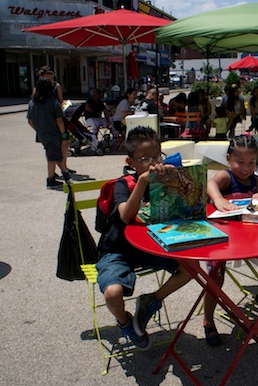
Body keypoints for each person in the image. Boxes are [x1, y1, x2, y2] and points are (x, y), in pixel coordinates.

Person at [96, 126, 192, 350]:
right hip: (118, 249)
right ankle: (125, 322)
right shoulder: (124, 184)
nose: (153, 163)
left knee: (192, 268)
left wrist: (180, 182)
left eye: (157, 156)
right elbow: (127, 216)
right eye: (145, 158)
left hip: (151, 247)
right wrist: (142, 183)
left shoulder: (166, 179)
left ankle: (151, 301)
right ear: (131, 162)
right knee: (112, 292)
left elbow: (185, 209)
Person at [203, 134, 258, 346]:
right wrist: (218, 199)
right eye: (240, 162)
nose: (246, 168)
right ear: (229, 159)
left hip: (248, 236)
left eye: (252, 163)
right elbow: (211, 184)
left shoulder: (256, 180)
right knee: (215, 275)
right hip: (222, 238)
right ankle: (208, 318)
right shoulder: (227, 177)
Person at [27, 78, 72, 189]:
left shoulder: (32, 103)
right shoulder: (53, 103)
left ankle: (64, 174)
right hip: (53, 132)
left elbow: (30, 120)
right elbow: (59, 120)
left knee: (52, 153)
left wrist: (39, 129)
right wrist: (63, 134)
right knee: (53, 156)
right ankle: (52, 179)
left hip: (42, 134)